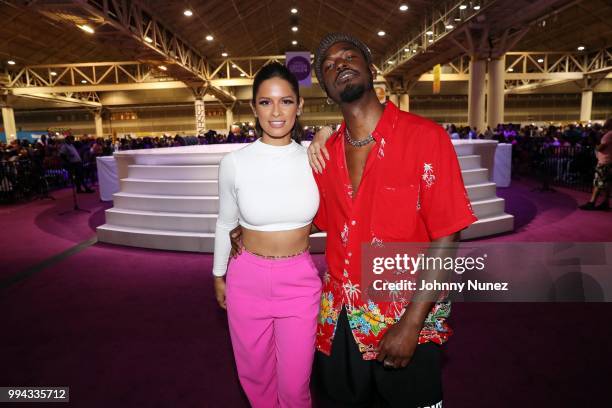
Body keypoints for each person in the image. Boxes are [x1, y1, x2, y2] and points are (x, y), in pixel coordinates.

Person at [305, 33, 477, 407]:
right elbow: (313, 223)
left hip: (404, 317)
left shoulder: (426, 138)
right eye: (329, 65)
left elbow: (448, 236)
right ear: (325, 89)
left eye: (350, 56)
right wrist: (250, 234)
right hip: (339, 322)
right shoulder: (326, 155)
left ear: (371, 68)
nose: (340, 64)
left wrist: (411, 325)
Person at [212, 62, 322, 408]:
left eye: (286, 101)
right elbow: (224, 222)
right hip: (247, 279)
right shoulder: (234, 163)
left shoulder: (315, 158)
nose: (276, 112)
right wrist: (218, 274)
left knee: (294, 387)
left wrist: (325, 134)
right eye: (265, 102)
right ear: (253, 108)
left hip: (300, 280)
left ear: (300, 106)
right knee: (256, 382)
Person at [579, 118, 612, 211]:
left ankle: (592, 202)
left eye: (607, 122)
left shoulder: (609, 135)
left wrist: (594, 143)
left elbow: (600, 148)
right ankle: (606, 203)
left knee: (598, 183)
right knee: (607, 184)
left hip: (604, 162)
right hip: (609, 162)